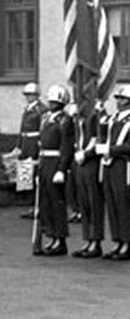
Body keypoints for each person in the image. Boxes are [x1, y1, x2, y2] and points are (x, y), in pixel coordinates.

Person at [96, 84, 130, 261]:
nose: (119, 102)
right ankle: (117, 241)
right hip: (109, 164)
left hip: (123, 165)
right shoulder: (114, 117)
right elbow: (102, 131)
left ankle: (126, 244)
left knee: (123, 205)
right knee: (112, 204)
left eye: (122, 99)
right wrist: (99, 110)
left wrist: (112, 150)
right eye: (118, 98)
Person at [35, 85, 75, 256]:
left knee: (57, 202)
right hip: (44, 162)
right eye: (50, 101)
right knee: (45, 203)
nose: (51, 104)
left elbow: (66, 147)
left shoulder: (65, 120)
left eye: (55, 101)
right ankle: (51, 236)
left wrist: (62, 169)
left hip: (56, 162)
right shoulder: (45, 118)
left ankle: (60, 239)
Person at [71, 99, 106, 259]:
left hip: (91, 163)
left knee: (94, 203)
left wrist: (86, 153)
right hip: (80, 164)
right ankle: (88, 239)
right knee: (84, 204)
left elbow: (99, 138)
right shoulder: (80, 117)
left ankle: (96, 241)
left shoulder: (95, 116)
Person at [15, 82, 45, 219]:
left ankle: (39, 207)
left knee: (34, 176)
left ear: (36, 95)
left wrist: (39, 148)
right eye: (26, 95)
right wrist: (19, 146)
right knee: (26, 176)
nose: (28, 97)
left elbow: (43, 130)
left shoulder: (41, 109)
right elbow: (22, 130)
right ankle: (31, 206)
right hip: (26, 144)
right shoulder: (27, 108)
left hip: (34, 144)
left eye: (31, 95)